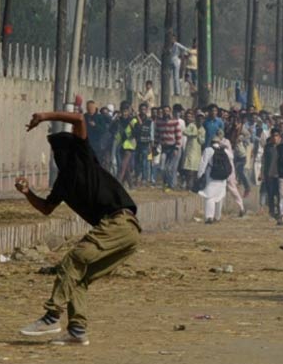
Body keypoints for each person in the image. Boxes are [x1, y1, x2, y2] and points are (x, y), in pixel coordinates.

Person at [17, 111, 140, 346]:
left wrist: (43, 116)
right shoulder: (64, 182)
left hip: (119, 222)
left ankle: (52, 315)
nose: (57, 156)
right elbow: (46, 208)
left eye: (59, 150)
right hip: (124, 233)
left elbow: (79, 120)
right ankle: (77, 330)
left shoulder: (83, 159)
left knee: (74, 259)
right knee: (79, 278)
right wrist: (27, 193)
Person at [197, 135, 230, 224]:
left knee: (210, 197)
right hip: (222, 178)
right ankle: (218, 216)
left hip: (212, 176)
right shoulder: (225, 151)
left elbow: (203, 163)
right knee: (220, 196)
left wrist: (200, 175)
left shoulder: (208, 150)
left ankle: (209, 217)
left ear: (211, 142)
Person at [156, 105, 182, 191]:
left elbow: (178, 136)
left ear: (170, 111)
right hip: (164, 147)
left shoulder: (175, 122)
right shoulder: (159, 122)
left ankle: (172, 185)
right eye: (164, 111)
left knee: (170, 167)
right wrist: (155, 146)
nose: (165, 113)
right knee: (162, 167)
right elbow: (157, 135)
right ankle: (166, 182)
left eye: (167, 111)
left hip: (173, 147)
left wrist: (176, 148)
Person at [182, 110, 205, 190]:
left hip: (197, 152)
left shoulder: (202, 129)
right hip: (190, 150)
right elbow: (184, 132)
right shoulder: (192, 125)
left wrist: (199, 135)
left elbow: (202, 141)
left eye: (202, 118)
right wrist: (193, 134)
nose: (200, 120)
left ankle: (192, 187)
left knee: (195, 171)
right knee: (189, 170)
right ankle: (188, 185)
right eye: (199, 118)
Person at [262, 128, 282, 219]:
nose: (275, 138)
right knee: (270, 194)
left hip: (280, 174)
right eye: (273, 136)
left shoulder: (282, 147)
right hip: (269, 174)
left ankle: (279, 211)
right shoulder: (267, 147)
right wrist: (262, 173)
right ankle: (271, 212)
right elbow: (265, 161)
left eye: (276, 136)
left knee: (279, 194)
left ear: (280, 137)